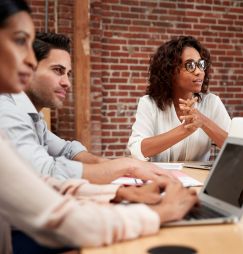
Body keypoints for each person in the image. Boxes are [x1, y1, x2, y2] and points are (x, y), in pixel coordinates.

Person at [0, 1, 197, 252]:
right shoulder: (6, 108)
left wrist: (117, 195)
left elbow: (42, 182)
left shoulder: (24, 112)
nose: (29, 59)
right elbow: (58, 211)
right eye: (20, 41)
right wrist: (158, 212)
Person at [0, 31, 172, 184]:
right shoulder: (7, 112)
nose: (66, 83)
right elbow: (47, 172)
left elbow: (67, 150)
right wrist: (127, 166)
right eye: (57, 70)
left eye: (68, 74)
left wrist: (111, 164)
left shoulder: (32, 116)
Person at [127, 36, 231, 162]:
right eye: (190, 65)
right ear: (170, 71)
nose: (199, 71)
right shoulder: (149, 103)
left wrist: (203, 121)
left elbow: (236, 148)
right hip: (161, 178)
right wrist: (184, 130)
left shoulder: (212, 103)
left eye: (200, 64)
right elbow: (137, 150)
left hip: (198, 180)